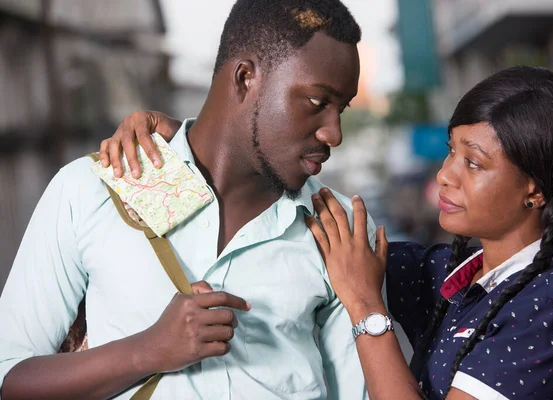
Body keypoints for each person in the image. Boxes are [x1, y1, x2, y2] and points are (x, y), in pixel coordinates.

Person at [109, 66, 553, 399]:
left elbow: (358, 284)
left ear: (535, 188)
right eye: (451, 151)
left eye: (473, 163)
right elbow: (322, 237)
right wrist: (200, 145)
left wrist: (367, 308)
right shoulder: (453, 275)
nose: (446, 175)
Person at [0, 1, 375, 399]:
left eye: (342, 108)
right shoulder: (91, 189)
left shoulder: (339, 232)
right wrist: (146, 351)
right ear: (246, 78)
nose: (334, 134)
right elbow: (9, 379)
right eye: (318, 103)